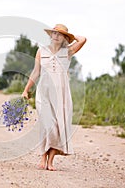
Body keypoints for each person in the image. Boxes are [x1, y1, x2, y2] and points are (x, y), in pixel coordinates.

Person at [22, 24, 86, 171]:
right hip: (43, 92)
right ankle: (43, 156)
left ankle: (50, 160)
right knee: (47, 124)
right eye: (54, 33)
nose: (55, 36)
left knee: (58, 127)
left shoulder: (68, 51)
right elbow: (35, 72)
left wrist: (70, 37)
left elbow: (83, 39)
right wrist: (26, 90)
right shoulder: (41, 51)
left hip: (61, 94)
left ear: (64, 38)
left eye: (59, 34)